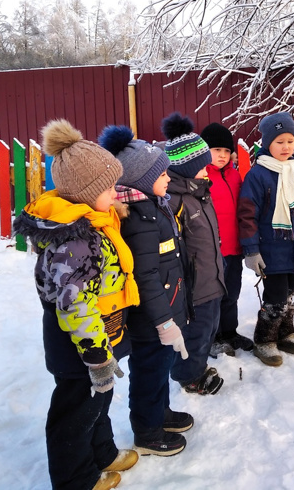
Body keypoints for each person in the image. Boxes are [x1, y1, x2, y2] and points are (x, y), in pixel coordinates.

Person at [13, 119, 138, 490]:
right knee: (76, 410)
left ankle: (102, 453)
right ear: (85, 193)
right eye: (109, 187)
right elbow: (75, 306)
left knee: (99, 399)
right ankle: (76, 479)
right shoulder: (75, 242)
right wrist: (97, 356)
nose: (116, 194)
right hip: (79, 345)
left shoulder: (98, 222)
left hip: (100, 335)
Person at [98, 125, 193, 457]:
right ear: (139, 179)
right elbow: (146, 276)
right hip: (150, 318)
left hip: (165, 308)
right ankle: (147, 431)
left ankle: (160, 413)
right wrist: (164, 322)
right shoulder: (138, 217)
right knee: (149, 371)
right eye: (161, 172)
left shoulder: (155, 205)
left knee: (159, 369)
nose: (168, 177)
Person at [238, 112, 294, 367]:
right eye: (279, 142)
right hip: (271, 247)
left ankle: (285, 334)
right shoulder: (258, 175)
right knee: (275, 296)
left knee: (289, 293)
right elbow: (247, 215)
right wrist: (252, 251)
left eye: (289, 141)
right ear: (267, 144)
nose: (286, 147)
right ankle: (264, 339)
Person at [162, 113, 226, 394]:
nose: (207, 171)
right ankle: (189, 377)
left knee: (210, 328)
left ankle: (197, 366)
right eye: (202, 167)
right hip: (193, 285)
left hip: (211, 278)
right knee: (195, 334)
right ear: (187, 168)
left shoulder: (200, 192)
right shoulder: (174, 201)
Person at [200, 121, 254, 357]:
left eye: (225, 151)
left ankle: (229, 332)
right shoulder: (201, 177)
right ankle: (213, 338)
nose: (222, 156)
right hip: (212, 250)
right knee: (214, 297)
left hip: (234, 247)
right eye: (216, 150)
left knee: (232, 292)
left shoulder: (235, 176)